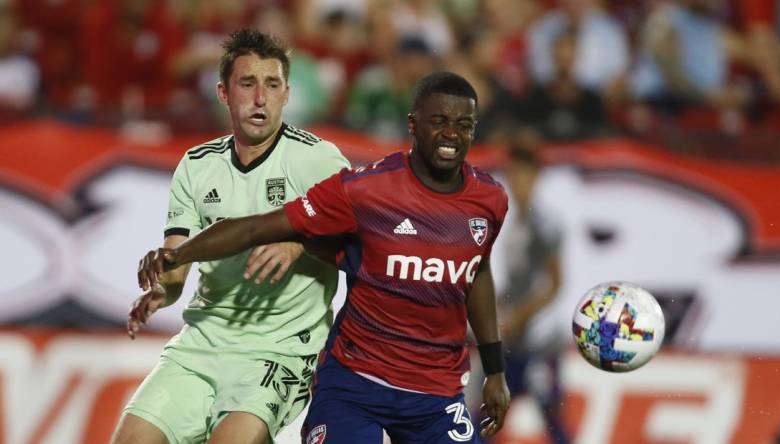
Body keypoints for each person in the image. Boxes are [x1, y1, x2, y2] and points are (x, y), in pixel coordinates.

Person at [137, 71, 511, 443]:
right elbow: (259, 227)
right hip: (354, 384)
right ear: (412, 124)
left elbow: (478, 272)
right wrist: (179, 255)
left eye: (464, 124)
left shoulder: (489, 199)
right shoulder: (366, 190)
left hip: (435, 393)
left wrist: (495, 371)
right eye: (439, 121)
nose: (451, 134)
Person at [112, 29, 350, 444]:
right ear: (223, 93)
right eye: (247, 83)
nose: (260, 98)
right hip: (203, 342)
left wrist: (300, 240)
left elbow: (365, 234)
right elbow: (176, 265)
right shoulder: (196, 166)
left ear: (287, 94)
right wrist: (161, 290)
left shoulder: (318, 159)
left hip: (280, 349)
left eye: (272, 85)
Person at [493, 144, 569, 443]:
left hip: (539, 339)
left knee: (550, 415)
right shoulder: (517, 222)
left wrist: (519, 317)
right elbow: (519, 281)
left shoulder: (543, 224)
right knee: (490, 410)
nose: (516, 181)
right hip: (514, 338)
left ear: (536, 177)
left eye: (523, 174)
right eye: (512, 174)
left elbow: (554, 283)